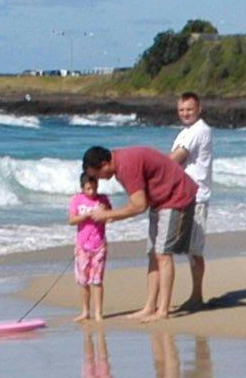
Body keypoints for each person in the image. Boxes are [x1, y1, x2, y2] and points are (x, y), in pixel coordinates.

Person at [81, 142, 200, 319]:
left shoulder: (126, 165)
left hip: (176, 197)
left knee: (163, 254)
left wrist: (108, 215)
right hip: (159, 201)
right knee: (153, 254)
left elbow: (139, 206)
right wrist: (114, 214)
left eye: (97, 175)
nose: (99, 179)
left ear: (105, 164)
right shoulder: (120, 162)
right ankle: (150, 306)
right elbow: (140, 202)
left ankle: (163, 310)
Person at [169, 92, 217, 308]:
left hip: (196, 196)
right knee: (186, 248)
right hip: (182, 194)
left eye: (189, 109)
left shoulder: (199, 130)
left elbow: (175, 159)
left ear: (199, 109)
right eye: (181, 110)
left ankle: (197, 295)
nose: (185, 113)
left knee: (194, 249)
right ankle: (193, 296)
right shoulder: (185, 132)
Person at [69, 168, 113, 324]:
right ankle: (85, 311)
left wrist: (105, 213)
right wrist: (86, 215)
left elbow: (110, 217)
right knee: (83, 281)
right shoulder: (77, 200)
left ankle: (98, 313)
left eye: (94, 188)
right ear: (82, 188)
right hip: (82, 246)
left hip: (99, 245)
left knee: (97, 281)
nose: (92, 191)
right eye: (88, 189)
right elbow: (71, 220)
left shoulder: (102, 200)